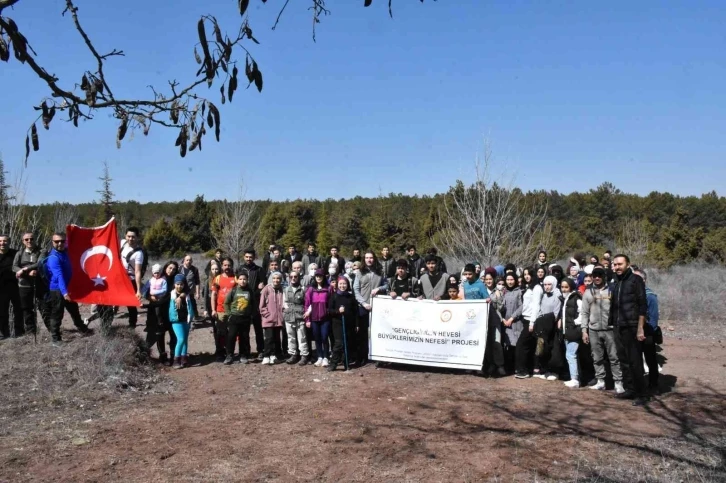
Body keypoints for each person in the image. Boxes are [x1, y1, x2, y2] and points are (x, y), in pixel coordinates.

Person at [610, 254, 649, 406]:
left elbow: (642, 306)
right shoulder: (617, 282)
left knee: (635, 361)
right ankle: (630, 389)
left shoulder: (635, 280)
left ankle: (642, 393)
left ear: (628, 264)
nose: (617, 267)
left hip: (632, 326)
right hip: (618, 326)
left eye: (620, 264)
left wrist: (640, 328)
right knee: (623, 360)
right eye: (615, 264)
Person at [581, 267, 623, 393]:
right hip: (593, 330)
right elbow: (584, 313)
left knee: (614, 357)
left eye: (600, 275)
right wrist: (584, 330)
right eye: (595, 275)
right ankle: (600, 381)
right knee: (596, 357)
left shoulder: (612, 290)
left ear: (604, 276)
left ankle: (618, 382)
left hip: (609, 329)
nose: (597, 277)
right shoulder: (588, 293)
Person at [44, 232, 91, 345]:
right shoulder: (53, 258)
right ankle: (56, 338)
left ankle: (82, 329)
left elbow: (76, 243)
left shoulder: (65, 251)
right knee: (57, 313)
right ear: (52, 242)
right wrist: (65, 293)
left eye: (62, 241)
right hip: (57, 290)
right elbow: (59, 276)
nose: (60, 243)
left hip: (67, 288)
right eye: (57, 241)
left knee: (74, 311)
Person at [353, 251, 385, 367]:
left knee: (377, 332)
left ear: (374, 259)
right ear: (364, 259)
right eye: (367, 258)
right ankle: (361, 357)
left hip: (377, 306)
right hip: (363, 306)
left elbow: (387, 285)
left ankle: (377, 356)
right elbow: (356, 289)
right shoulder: (359, 273)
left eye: (371, 257)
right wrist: (363, 303)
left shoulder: (380, 271)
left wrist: (379, 288)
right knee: (362, 334)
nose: (369, 260)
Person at [12, 232, 47, 336]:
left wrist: (25, 269)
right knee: (27, 309)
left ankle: (52, 330)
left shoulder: (42, 250)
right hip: (24, 286)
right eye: (26, 239)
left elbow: (40, 263)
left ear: (35, 239)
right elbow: (14, 267)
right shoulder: (19, 253)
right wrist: (27, 272)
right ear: (23, 241)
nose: (29, 241)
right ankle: (31, 332)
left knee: (44, 308)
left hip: (40, 285)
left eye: (31, 239)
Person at [635, 269, 661, 391]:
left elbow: (654, 318)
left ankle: (654, 383)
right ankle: (640, 384)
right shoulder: (633, 294)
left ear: (644, 280)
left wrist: (649, 333)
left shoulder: (650, 296)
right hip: (634, 332)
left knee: (650, 359)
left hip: (648, 333)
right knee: (636, 359)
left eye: (638, 279)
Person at [532, 275, 563, 381]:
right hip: (542, 327)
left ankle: (554, 371)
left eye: (549, 284)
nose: (547, 287)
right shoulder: (544, 296)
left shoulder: (557, 296)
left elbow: (555, 314)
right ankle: (544, 369)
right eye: (545, 284)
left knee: (553, 350)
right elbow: (540, 310)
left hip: (552, 328)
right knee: (541, 349)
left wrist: (545, 321)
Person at [515, 268, 543, 379]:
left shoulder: (536, 288)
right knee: (529, 346)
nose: (526, 276)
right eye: (525, 274)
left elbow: (536, 306)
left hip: (533, 320)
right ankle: (526, 368)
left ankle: (523, 370)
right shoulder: (528, 287)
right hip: (525, 319)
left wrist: (532, 322)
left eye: (529, 274)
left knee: (521, 345)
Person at [327, 276, 358, 371]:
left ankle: (346, 362)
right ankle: (333, 363)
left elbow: (355, 312)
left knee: (347, 343)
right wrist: (338, 311)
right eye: (340, 284)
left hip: (349, 323)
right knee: (339, 343)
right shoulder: (334, 296)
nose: (342, 286)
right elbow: (329, 310)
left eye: (344, 284)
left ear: (347, 285)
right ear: (337, 284)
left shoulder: (351, 297)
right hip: (337, 323)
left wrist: (357, 324)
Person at [222, 270, 253, 365]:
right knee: (231, 336)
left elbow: (253, 304)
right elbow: (226, 303)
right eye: (240, 279)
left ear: (247, 280)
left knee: (244, 337)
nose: (243, 281)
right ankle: (229, 355)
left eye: (244, 279)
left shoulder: (249, 291)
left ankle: (243, 355)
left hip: (245, 318)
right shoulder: (234, 290)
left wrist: (251, 314)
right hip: (234, 317)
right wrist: (229, 314)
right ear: (237, 280)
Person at [211, 257, 237, 361]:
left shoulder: (235, 278)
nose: (227, 267)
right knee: (220, 332)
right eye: (225, 265)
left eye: (229, 265)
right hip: (220, 310)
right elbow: (213, 295)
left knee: (232, 333)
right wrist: (213, 309)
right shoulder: (217, 278)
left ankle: (230, 353)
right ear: (222, 266)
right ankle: (220, 353)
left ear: (232, 266)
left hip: (233, 310)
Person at [242, 249, 266, 360]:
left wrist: (256, 291)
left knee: (258, 329)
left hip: (256, 303)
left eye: (250, 257)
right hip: (243, 303)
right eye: (246, 257)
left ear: (254, 258)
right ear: (244, 257)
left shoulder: (259, 270)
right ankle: (246, 352)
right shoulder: (240, 269)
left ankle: (261, 350)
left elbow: (262, 286)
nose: (248, 259)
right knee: (244, 330)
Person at [559, 278, 582, 388]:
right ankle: (575, 377)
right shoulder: (565, 299)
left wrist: (575, 323)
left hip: (574, 330)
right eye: (562, 287)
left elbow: (582, 313)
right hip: (567, 330)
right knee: (571, 354)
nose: (564, 289)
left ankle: (575, 379)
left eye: (566, 287)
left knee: (571, 354)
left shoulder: (576, 298)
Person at [283, 270, 310, 365]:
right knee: (291, 337)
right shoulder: (286, 289)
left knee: (302, 337)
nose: (293, 278)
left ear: (298, 278)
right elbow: (284, 302)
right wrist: (287, 310)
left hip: (300, 316)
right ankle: (293, 354)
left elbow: (308, 303)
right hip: (289, 316)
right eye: (291, 277)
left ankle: (304, 355)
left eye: (295, 277)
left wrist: (307, 312)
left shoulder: (304, 289)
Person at [143, 264, 169, 362]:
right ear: (152, 273)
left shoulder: (163, 280)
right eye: (155, 272)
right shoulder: (150, 281)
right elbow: (144, 289)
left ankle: (162, 355)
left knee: (160, 330)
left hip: (160, 303)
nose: (157, 274)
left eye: (158, 272)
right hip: (151, 304)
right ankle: (145, 353)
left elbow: (164, 290)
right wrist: (147, 295)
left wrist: (155, 294)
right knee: (150, 330)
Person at [120, 227, 145, 328]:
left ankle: (132, 325)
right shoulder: (122, 243)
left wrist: (138, 290)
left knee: (131, 304)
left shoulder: (139, 253)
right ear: (125, 236)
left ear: (137, 238)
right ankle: (107, 323)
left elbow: (137, 271)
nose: (130, 239)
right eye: (128, 236)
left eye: (133, 237)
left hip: (130, 280)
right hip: (119, 278)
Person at [0, 234, 23, 339]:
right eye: (0, 241)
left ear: (9, 242)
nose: (2, 243)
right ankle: (4, 334)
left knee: (19, 310)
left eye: (5, 241)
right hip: (1, 288)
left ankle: (20, 333)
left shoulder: (16, 253)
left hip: (16, 286)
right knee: (2, 311)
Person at [259, 271, 285, 365]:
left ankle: (273, 355)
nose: (276, 280)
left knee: (276, 338)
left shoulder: (282, 289)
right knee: (269, 338)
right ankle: (266, 355)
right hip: (269, 319)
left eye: (278, 278)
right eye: (274, 278)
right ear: (271, 279)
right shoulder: (267, 289)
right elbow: (262, 305)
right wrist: (266, 314)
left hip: (278, 319)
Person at [169, 273, 194, 369]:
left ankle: (184, 358)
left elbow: (188, 302)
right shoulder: (172, 294)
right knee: (181, 339)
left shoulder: (186, 295)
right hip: (176, 320)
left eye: (181, 284)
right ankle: (176, 359)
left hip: (186, 319)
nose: (179, 286)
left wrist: (182, 296)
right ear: (174, 284)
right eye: (177, 284)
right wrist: (179, 297)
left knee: (185, 340)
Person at [501, 272, 523, 374]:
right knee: (507, 345)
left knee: (516, 346)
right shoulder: (503, 292)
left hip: (516, 323)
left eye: (512, 280)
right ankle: (508, 367)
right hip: (505, 323)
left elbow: (521, 307)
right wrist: (503, 319)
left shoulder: (519, 292)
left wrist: (512, 318)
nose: (510, 282)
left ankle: (517, 367)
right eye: (508, 280)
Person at [179, 254, 201, 319]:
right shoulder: (179, 268)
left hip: (190, 291)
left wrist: (197, 293)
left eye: (190, 260)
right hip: (181, 291)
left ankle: (195, 317)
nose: (189, 261)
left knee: (192, 305)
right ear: (184, 261)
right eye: (187, 260)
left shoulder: (195, 269)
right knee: (182, 305)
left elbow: (197, 282)